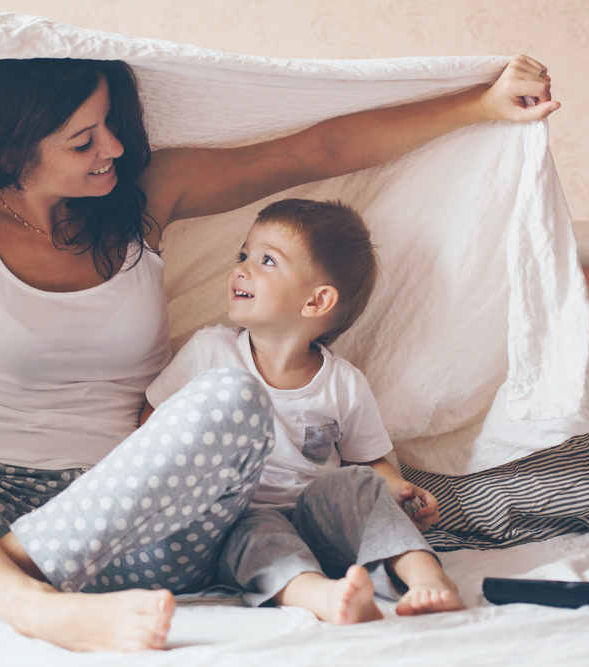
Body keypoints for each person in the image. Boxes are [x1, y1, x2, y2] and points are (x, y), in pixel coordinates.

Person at [0, 15, 556, 653]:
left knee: (232, 397)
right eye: (84, 140)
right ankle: (29, 602)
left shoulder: (146, 197)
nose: (116, 149)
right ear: (14, 147)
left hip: (151, 522)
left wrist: (478, 104)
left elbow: (318, 148)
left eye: (113, 125)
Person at [143, 199, 462, 625]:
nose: (242, 268)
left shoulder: (344, 384)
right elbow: (152, 419)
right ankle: (324, 597)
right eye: (243, 255)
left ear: (316, 302)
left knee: (358, 483)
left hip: (320, 520)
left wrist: (397, 489)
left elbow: (368, 460)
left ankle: (428, 578)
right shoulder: (210, 352)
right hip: (240, 514)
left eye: (266, 260)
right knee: (259, 534)